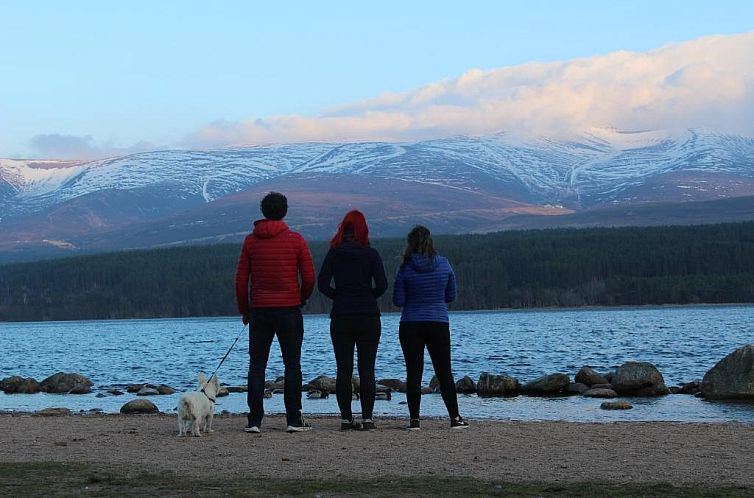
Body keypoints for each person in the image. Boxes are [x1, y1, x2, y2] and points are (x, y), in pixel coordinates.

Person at [235, 191, 315, 433]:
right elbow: (309, 277)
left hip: (260, 310)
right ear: (285, 211)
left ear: (263, 211)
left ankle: (254, 420)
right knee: (292, 365)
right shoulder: (296, 240)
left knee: (257, 365)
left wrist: (245, 309)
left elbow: (240, 281)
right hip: (289, 310)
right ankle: (293, 419)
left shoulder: (251, 241)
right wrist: (300, 298)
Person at [393, 225, 469, 430]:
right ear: (430, 242)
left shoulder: (404, 268)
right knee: (444, 371)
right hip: (438, 322)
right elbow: (451, 296)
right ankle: (455, 417)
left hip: (410, 324)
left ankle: (415, 421)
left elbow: (398, 300)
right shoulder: (444, 264)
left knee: (414, 373)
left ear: (410, 244)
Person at [318, 210, 387, 431]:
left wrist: (338, 296)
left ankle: (346, 419)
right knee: (367, 369)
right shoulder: (371, 254)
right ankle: (367, 418)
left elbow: (322, 284)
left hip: (341, 317)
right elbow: (383, 285)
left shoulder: (334, 253)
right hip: (368, 316)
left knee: (343, 369)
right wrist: (368, 296)